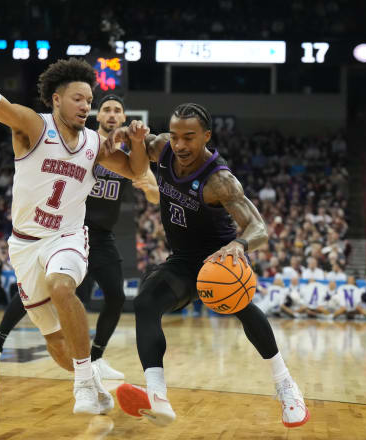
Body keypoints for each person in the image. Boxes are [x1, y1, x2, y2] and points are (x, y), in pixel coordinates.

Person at [0, 12, 150, 415]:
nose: (87, 105)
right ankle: (94, 384)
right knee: (52, 339)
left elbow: (136, 172)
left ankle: (84, 385)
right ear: (56, 99)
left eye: (90, 99)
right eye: (79, 98)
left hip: (67, 236)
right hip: (24, 243)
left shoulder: (93, 144)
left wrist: (136, 142)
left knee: (63, 286)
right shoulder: (34, 126)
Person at [113, 103, 309, 428]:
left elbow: (259, 227)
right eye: (175, 136)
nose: (180, 145)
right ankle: (157, 397)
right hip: (183, 261)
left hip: (220, 259)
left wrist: (238, 245)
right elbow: (140, 150)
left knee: (244, 309)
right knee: (146, 300)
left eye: (189, 137)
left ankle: (286, 384)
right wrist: (125, 136)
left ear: (206, 136)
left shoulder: (219, 180)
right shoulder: (162, 149)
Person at [0, 94, 159, 381]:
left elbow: (152, 190)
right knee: (42, 293)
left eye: (118, 111)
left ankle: (95, 358)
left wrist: (149, 188)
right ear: (98, 117)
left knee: (115, 296)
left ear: (124, 118)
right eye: (107, 110)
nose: (112, 115)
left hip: (102, 236)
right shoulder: (86, 144)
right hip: (69, 231)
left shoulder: (124, 157)